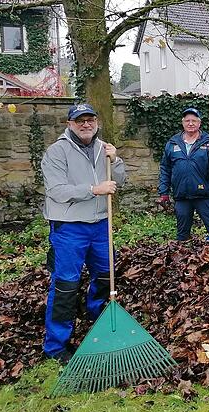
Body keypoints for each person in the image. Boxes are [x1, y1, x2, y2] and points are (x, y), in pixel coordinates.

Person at [41, 103, 127, 363]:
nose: (86, 124)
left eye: (90, 120)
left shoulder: (104, 148)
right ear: (70, 124)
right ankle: (56, 346)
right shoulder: (56, 152)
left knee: (106, 275)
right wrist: (93, 189)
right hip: (69, 227)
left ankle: (98, 320)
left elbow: (119, 181)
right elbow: (57, 190)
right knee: (66, 284)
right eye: (80, 121)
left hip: (100, 224)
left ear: (96, 122)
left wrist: (117, 159)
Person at [158, 107, 209, 241]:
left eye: (194, 121)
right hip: (181, 195)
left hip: (204, 194)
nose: (190, 123)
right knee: (182, 234)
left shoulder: (208, 142)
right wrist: (163, 192)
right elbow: (165, 168)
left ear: (199, 123)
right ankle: (183, 258)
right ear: (182, 123)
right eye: (187, 121)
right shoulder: (172, 143)